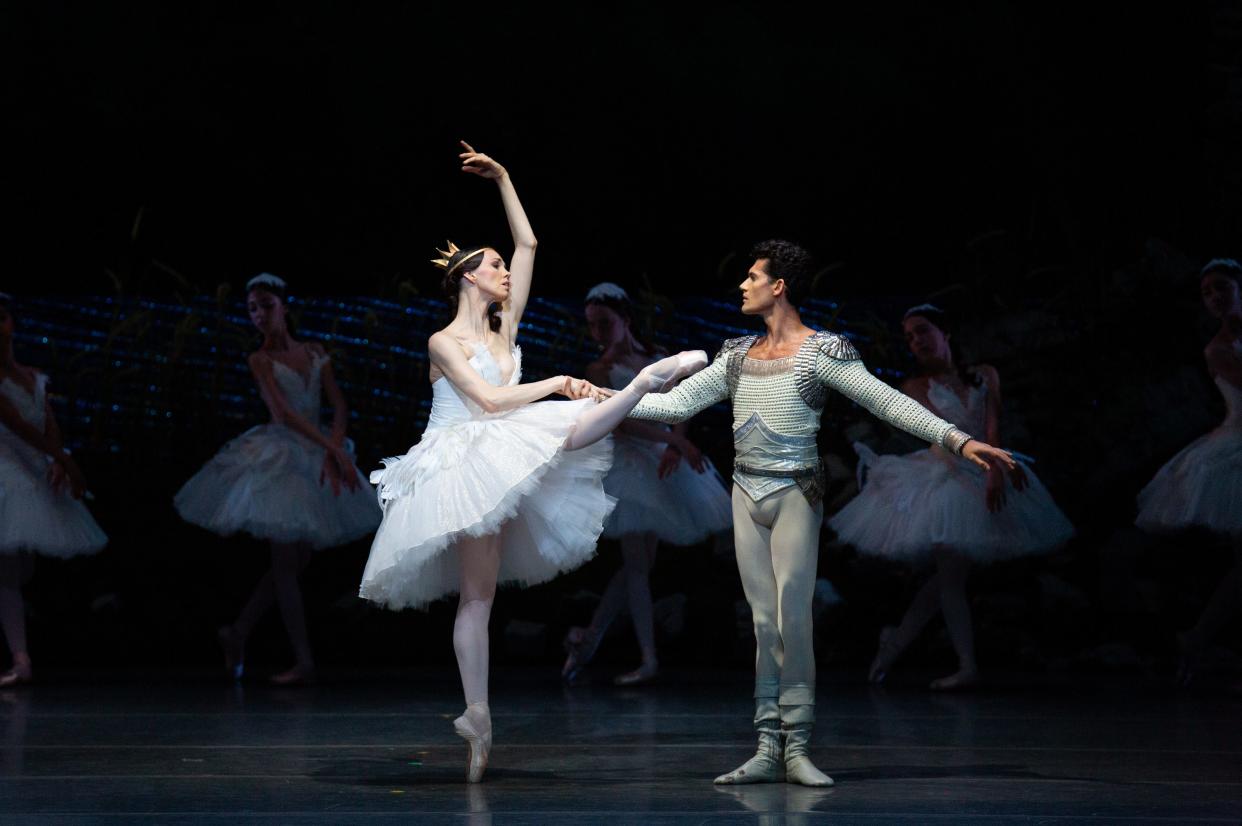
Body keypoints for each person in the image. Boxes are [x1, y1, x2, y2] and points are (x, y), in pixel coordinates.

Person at [358, 143, 706, 783]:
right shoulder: (445, 340)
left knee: (567, 431)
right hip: (459, 460)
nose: (507, 272)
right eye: (495, 267)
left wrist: (505, 178)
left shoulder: (504, 328)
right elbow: (488, 400)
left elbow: (530, 244)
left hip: (503, 441)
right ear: (469, 276)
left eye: (504, 266)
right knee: (476, 598)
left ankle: (640, 388)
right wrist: (556, 382)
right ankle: (478, 716)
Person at [627, 240, 1020, 787]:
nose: (743, 285)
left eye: (752, 276)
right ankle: (767, 746)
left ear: (778, 286)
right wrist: (600, 396)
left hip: (795, 492)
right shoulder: (737, 355)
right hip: (747, 492)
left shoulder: (823, 352)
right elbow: (674, 406)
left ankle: (798, 747)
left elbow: (886, 401)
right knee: (763, 623)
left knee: (794, 615)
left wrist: (960, 441)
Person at [829, 304, 1073, 690]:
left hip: (983, 469)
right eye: (909, 337)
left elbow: (992, 430)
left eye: (922, 331)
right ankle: (966, 665)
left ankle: (893, 644)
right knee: (951, 576)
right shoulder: (914, 388)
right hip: (945, 474)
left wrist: (995, 468)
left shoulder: (985, 375)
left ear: (945, 333)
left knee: (949, 575)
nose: (916, 341)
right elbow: (941, 435)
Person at [175, 273, 381, 686]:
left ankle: (237, 633)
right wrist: (330, 448)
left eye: (266, 305)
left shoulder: (314, 351)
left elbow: (338, 404)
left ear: (284, 307)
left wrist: (336, 448)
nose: (259, 315)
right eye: (252, 308)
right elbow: (283, 412)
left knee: (295, 561)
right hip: (281, 457)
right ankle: (302, 659)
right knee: (287, 564)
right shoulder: (260, 360)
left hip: (317, 453)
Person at [561, 282, 733, 686]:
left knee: (640, 566)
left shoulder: (656, 359)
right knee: (638, 565)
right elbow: (618, 422)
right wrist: (673, 439)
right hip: (627, 464)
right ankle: (648, 657)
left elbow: (684, 400)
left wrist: (676, 441)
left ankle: (589, 641)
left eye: (604, 323)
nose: (598, 333)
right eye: (592, 326)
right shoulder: (598, 371)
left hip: (659, 458)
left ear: (624, 319)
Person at [1136, 258, 1242, 687]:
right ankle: (1197, 638)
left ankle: (1196, 638)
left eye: (1221, 287)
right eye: (1207, 292)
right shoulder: (1218, 347)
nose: (1215, 297)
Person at [0, 292, 107, 687]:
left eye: (2, 317)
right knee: (8, 567)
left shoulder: (32, 376)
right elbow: (17, 425)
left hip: (33, 464)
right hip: (5, 467)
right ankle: (21, 659)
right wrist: (65, 460)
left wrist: (57, 459)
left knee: (20, 567)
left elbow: (46, 422)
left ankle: (20, 645)